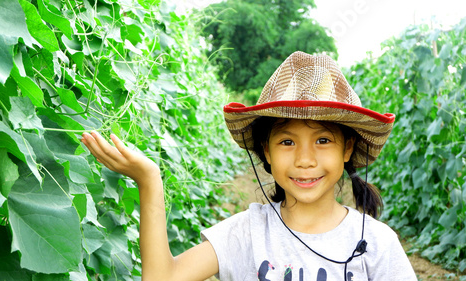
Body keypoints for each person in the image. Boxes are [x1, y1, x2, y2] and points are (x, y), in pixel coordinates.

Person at [81, 51, 417, 281]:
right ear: (266, 153)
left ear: (348, 149)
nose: (304, 159)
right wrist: (149, 181)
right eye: (287, 142)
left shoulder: (376, 243)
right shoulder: (248, 233)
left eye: (323, 140)